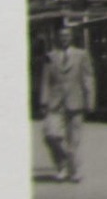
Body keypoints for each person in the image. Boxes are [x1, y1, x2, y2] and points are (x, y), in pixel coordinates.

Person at [40, 24, 96, 183]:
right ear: (57, 38)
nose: (64, 38)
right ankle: (62, 163)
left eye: (67, 36)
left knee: (74, 139)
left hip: (75, 101)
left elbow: (88, 78)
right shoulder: (50, 56)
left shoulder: (81, 55)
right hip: (55, 102)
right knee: (51, 136)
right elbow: (46, 81)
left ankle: (72, 171)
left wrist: (89, 100)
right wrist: (43, 101)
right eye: (61, 36)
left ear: (71, 37)